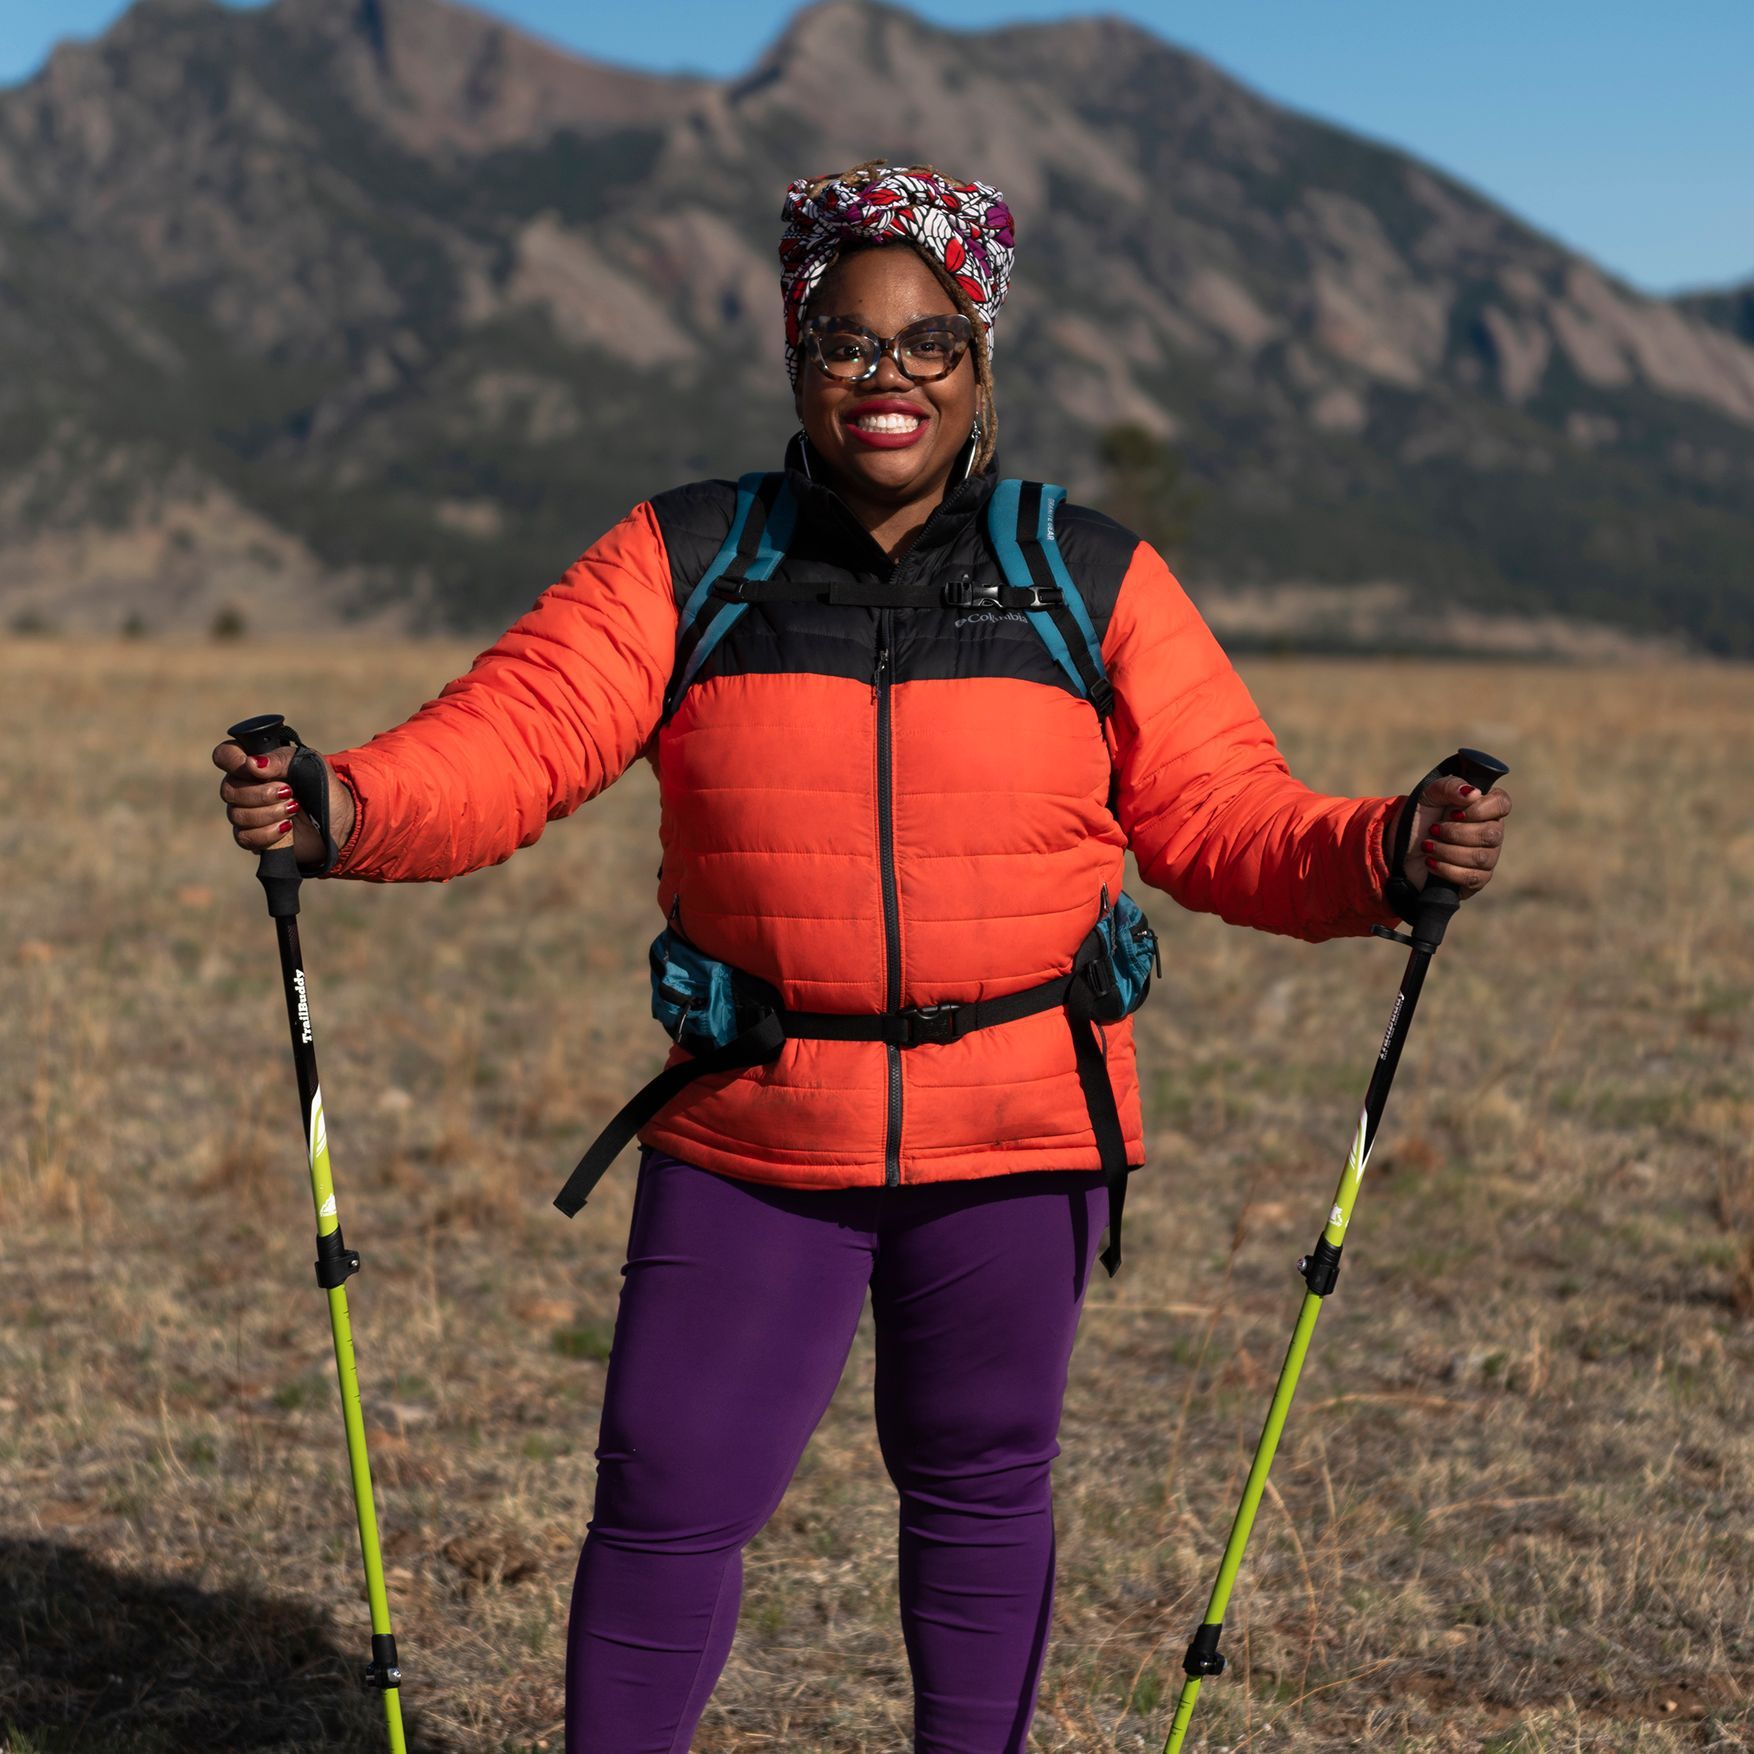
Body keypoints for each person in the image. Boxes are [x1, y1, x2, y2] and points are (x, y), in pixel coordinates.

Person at [214, 161, 1511, 1754]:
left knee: (978, 1496)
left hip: (1019, 1133)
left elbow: (1222, 812)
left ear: (980, 362)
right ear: (795, 356)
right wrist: (343, 804)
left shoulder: (1083, 573)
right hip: (753, 1127)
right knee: (666, 1498)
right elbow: (511, 742)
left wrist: (1384, 849)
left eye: (928, 342)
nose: (885, 376)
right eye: (844, 340)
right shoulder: (691, 557)